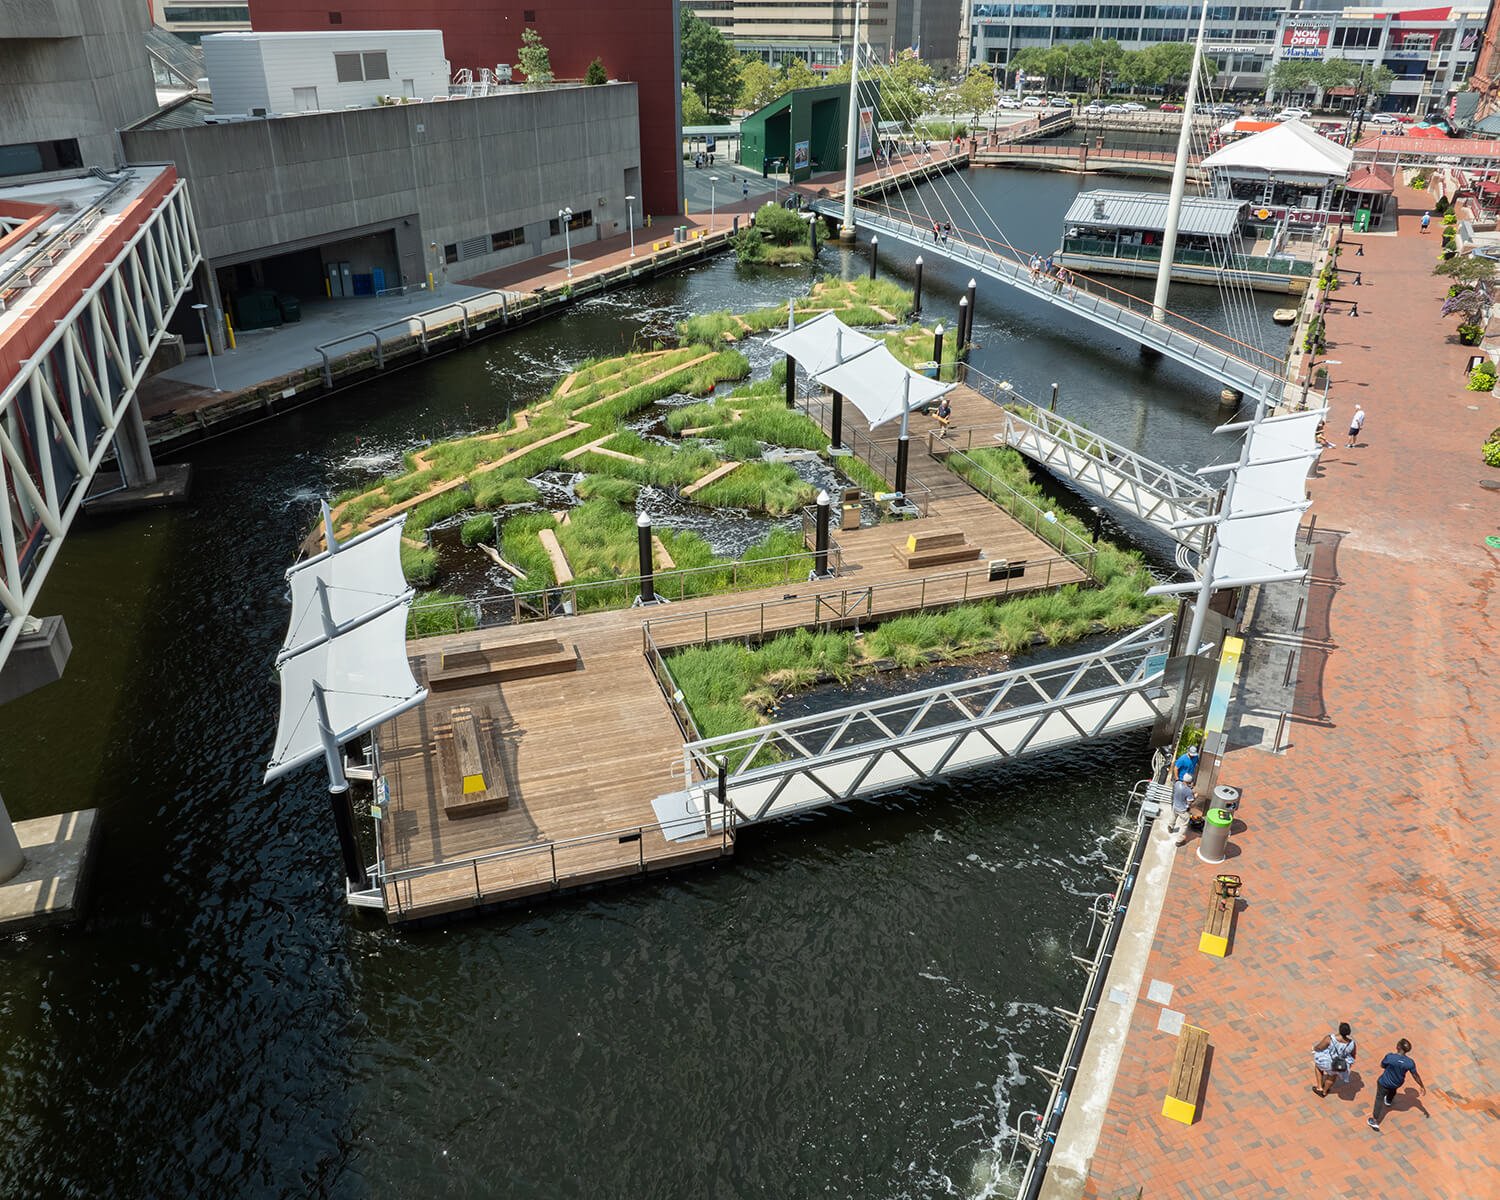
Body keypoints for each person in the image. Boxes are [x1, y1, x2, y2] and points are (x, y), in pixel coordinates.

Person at [1368, 1038, 1426, 1130]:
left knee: (1379, 1099)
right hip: (1397, 1083)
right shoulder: (1410, 1062)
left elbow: (1382, 1065)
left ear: (1398, 1047)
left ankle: (1374, 1121)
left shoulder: (1390, 1057)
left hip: (1384, 1082)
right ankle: (1389, 1100)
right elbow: (1415, 1075)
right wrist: (1421, 1086)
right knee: (1393, 1090)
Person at [1312, 1023, 1357, 1097]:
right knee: (1332, 1075)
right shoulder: (1352, 1044)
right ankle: (1324, 1092)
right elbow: (1353, 1055)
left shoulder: (1330, 1038)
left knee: (1318, 1067)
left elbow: (1320, 1047)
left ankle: (1319, 1088)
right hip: (1339, 1064)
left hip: (1327, 1061)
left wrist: (1315, 1048)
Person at [1169, 773, 1195, 837]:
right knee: (1184, 824)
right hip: (1182, 810)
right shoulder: (1188, 791)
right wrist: (1194, 797)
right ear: (1190, 782)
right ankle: (1179, 840)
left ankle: (1170, 826)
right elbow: (1189, 802)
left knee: (1173, 816)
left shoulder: (1177, 784)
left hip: (1175, 806)